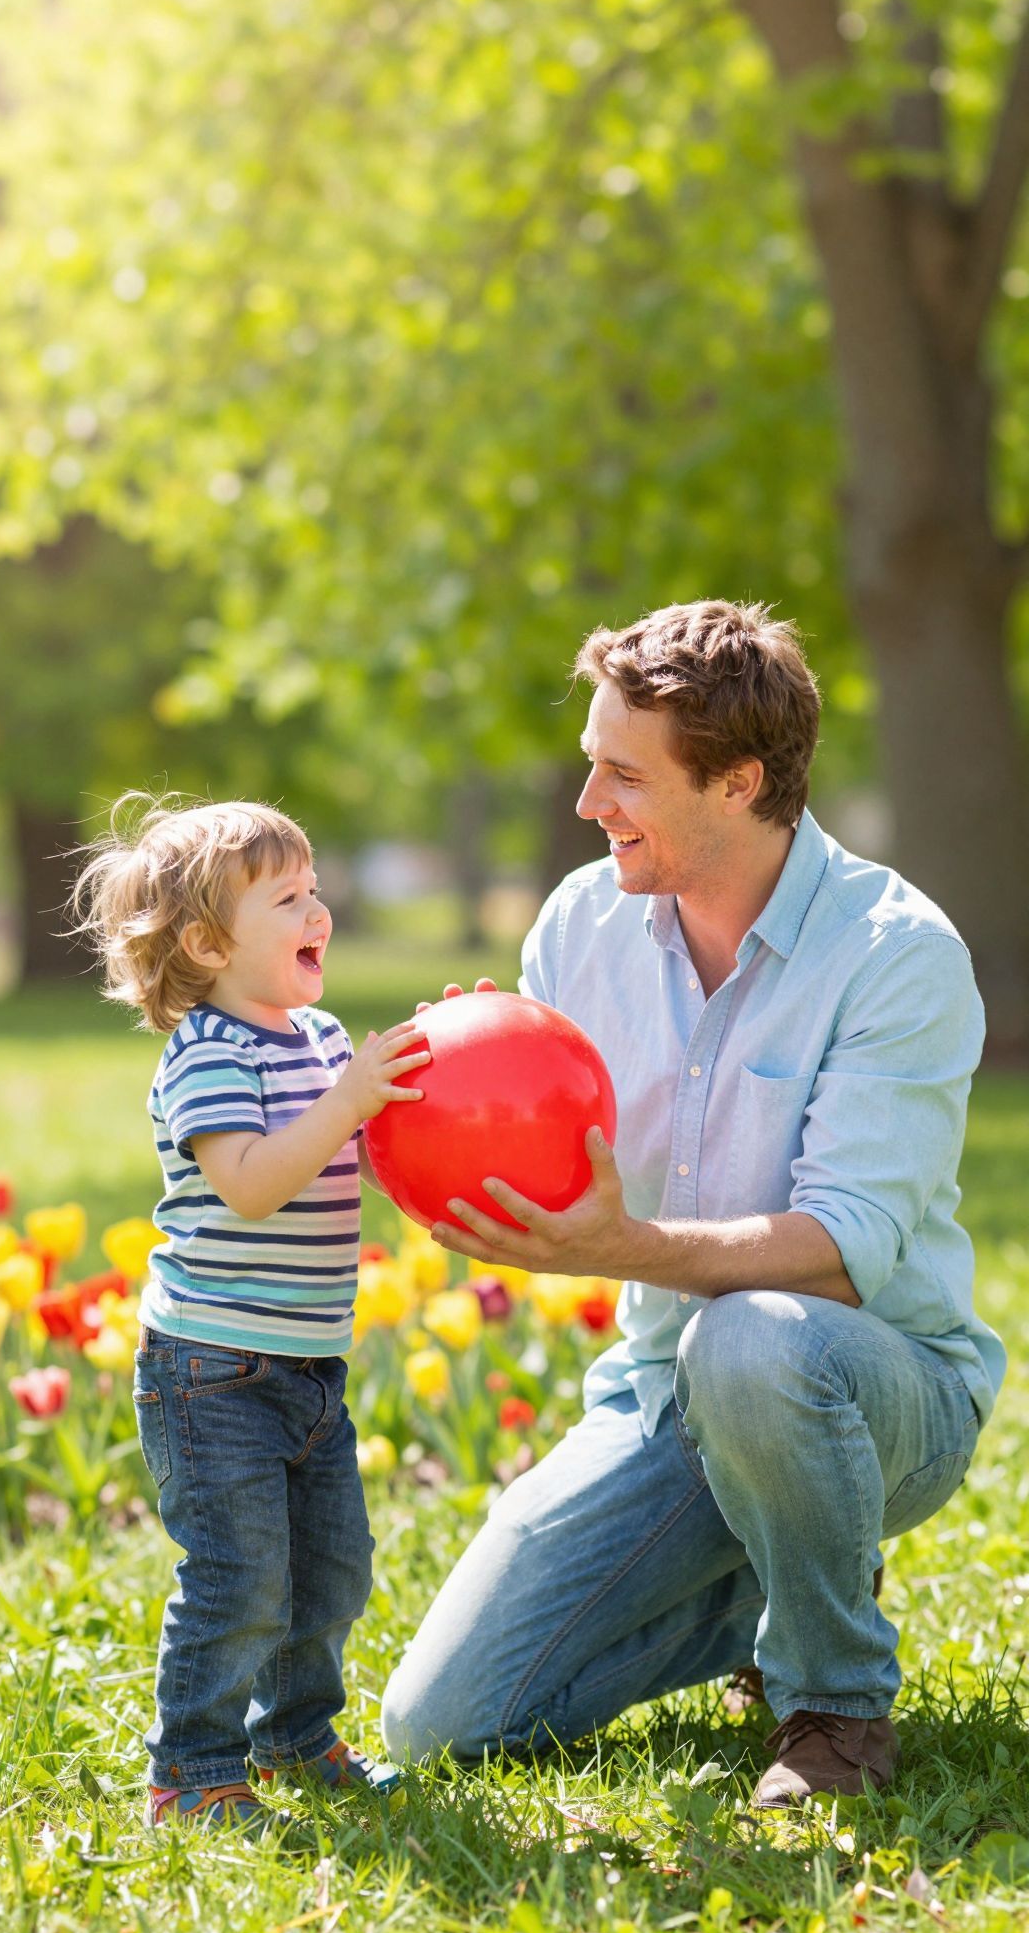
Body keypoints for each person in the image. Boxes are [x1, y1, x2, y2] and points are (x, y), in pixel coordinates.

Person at [381, 599, 1005, 1807]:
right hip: (658, 1393)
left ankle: (832, 1707)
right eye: (589, 766)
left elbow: (837, 1253)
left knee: (755, 1332)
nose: (587, 803)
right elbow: (549, 1131)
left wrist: (624, 1246)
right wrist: (457, 1080)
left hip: (874, 1386)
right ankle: (780, 1582)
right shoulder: (580, 921)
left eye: (624, 774)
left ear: (739, 783)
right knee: (438, 1724)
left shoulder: (896, 954)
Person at [75, 794, 428, 1827]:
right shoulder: (208, 1054)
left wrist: (433, 1076)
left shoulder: (318, 1038)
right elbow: (255, 1183)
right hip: (212, 1368)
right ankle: (191, 1770)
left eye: (315, 888)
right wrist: (349, 1098)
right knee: (240, 1576)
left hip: (310, 1365)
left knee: (332, 1569)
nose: (318, 910)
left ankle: (295, 1737)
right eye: (288, 896)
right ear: (207, 940)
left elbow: (371, 1148)